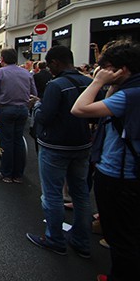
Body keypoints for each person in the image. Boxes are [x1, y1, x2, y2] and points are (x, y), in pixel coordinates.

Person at [71, 40, 140, 281]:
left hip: (119, 175)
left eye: (106, 67)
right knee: (124, 234)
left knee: (120, 237)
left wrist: (98, 82)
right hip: (124, 171)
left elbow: (79, 109)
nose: (100, 71)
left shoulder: (130, 95)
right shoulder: (129, 90)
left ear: (123, 69)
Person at [25, 46, 93, 258]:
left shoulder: (56, 85)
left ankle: (55, 239)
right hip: (82, 145)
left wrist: (37, 106)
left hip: (56, 146)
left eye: (50, 64)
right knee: (81, 194)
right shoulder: (89, 83)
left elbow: (45, 116)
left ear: (55, 63)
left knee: (52, 194)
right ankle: (82, 241)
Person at [0, 48, 37, 183]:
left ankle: (6, 173)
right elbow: (34, 92)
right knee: (18, 140)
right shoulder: (26, 73)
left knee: (6, 141)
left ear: (2, 59)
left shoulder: (0, 72)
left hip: (5, 109)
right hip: (22, 109)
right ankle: (18, 174)